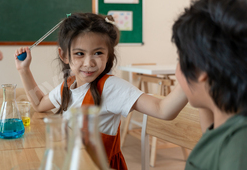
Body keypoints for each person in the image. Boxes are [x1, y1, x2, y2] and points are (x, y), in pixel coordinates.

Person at [15, 13, 188, 170]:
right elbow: (39, 104)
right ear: (64, 56)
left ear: (108, 54)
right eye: (80, 54)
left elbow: (163, 109)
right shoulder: (69, 84)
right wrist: (24, 70)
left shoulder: (111, 87)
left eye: (98, 53)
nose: (89, 63)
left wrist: (192, 73)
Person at [172, 0, 247, 170]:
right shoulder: (225, 126)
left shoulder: (239, 146)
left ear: (201, 68)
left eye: (179, 59)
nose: (176, 71)